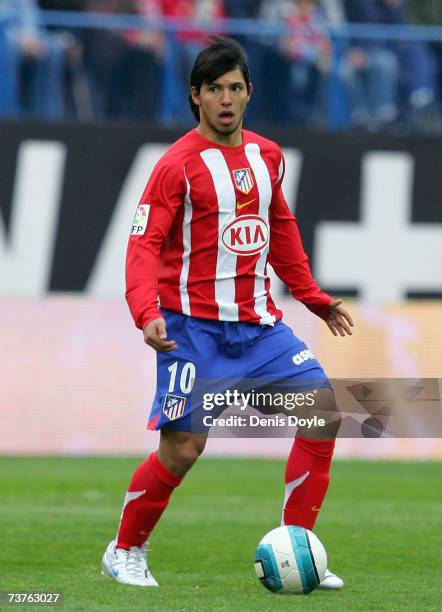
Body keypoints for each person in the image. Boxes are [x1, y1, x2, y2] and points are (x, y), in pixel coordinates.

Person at [101, 36, 353, 589]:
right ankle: (125, 550)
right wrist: (146, 312)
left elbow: (280, 229)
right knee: (183, 448)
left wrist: (311, 295)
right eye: (214, 89)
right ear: (196, 96)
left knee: (325, 413)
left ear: (249, 93)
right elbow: (143, 245)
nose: (225, 99)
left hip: (260, 327)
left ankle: (299, 548)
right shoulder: (175, 167)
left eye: (235, 88)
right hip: (192, 331)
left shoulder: (268, 157)